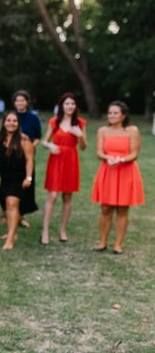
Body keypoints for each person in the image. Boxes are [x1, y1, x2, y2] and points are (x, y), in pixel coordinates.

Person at [91, 101, 144, 254]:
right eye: (110, 113)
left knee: (122, 209)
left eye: (115, 113)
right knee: (106, 208)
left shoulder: (132, 130)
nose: (112, 116)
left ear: (123, 115)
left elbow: (134, 153)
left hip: (126, 171)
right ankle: (102, 242)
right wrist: (108, 158)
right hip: (108, 170)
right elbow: (99, 152)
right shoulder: (102, 130)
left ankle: (118, 244)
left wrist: (120, 160)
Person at [40, 93, 87, 244]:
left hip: (71, 160)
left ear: (76, 106)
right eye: (67, 104)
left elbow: (84, 148)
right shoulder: (54, 121)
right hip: (56, 158)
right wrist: (49, 145)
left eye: (72, 104)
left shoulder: (80, 123)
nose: (70, 106)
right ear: (61, 106)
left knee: (67, 197)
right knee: (52, 196)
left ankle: (62, 230)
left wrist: (80, 136)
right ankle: (45, 231)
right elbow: (44, 141)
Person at [0, 112, 35, 250]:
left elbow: (29, 161)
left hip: (19, 179)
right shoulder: (1, 139)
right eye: (8, 120)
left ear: (18, 124)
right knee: (7, 207)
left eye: (14, 121)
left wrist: (28, 178)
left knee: (12, 204)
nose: (11, 123)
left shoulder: (24, 140)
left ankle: (10, 240)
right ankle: (12, 233)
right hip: (5, 179)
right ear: (4, 123)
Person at [12, 90, 41, 228]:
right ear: (14, 102)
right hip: (12, 156)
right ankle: (8, 212)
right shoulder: (11, 116)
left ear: (27, 102)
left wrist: (30, 147)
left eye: (22, 100)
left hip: (27, 157)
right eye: (17, 100)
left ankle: (21, 215)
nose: (20, 103)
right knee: (11, 184)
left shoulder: (33, 117)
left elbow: (37, 138)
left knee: (26, 186)